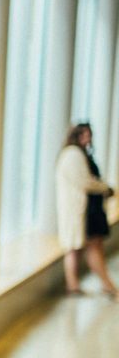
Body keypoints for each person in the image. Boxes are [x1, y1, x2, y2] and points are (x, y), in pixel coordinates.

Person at [56, 122, 117, 298]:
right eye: (83, 135)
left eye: (88, 135)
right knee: (89, 246)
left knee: (79, 247)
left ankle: (74, 284)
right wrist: (106, 188)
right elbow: (85, 182)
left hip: (87, 209)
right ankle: (107, 285)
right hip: (81, 210)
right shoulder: (73, 155)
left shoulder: (78, 154)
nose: (87, 139)